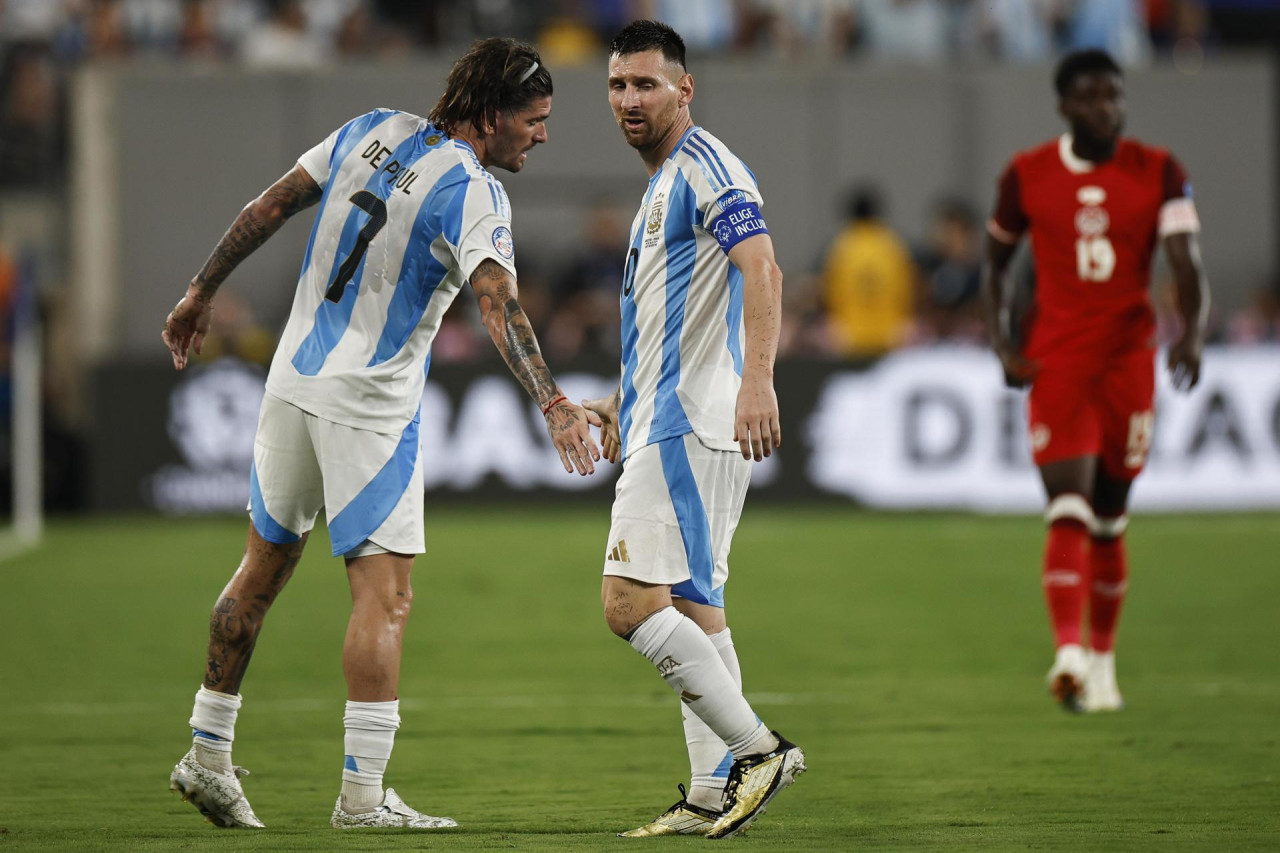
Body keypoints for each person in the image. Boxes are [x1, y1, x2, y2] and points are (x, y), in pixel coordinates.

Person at [161, 37, 600, 830]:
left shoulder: (374, 127)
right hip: (368, 406)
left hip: (290, 382)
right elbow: (497, 300)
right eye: (534, 121)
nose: (542, 135)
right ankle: (362, 797)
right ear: (494, 116)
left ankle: (207, 753)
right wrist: (553, 401)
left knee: (260, 568)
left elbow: (267, 207)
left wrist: (199, 292)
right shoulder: (472, 190)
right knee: (385, 595)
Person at [580, 20, 805, 840]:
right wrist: (616, 401)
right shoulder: (661, 184)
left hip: (689, 423)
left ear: (685, 89)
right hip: (663, 413)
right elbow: (679, 321)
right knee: (695, 607)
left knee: (627, 602)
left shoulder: (708, 168)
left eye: (646, 84)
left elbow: (765, 268)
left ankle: (758, 750)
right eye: (617, 86)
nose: (629, 100)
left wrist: (758, 381)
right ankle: (714, 793)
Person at [982, 49, 1209, 713]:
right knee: (1069, 504)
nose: (1105, 107)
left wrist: (1190, 332)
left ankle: (1104, 662)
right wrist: (1003, 344)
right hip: (1059, 362)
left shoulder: (1160, 170)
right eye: (1090, 97)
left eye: (1113, 95)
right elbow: (995, 267)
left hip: (1129, 363)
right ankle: (1070, 653)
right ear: (1065, 105)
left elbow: (1186, 262)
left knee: (1110, 518)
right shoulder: (1026, 175)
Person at [820, 185, 917, 358]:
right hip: (890, 336)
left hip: (850, 336)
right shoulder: (892, 244)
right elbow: (907, 288)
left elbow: (830, 292)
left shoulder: (842, 245)